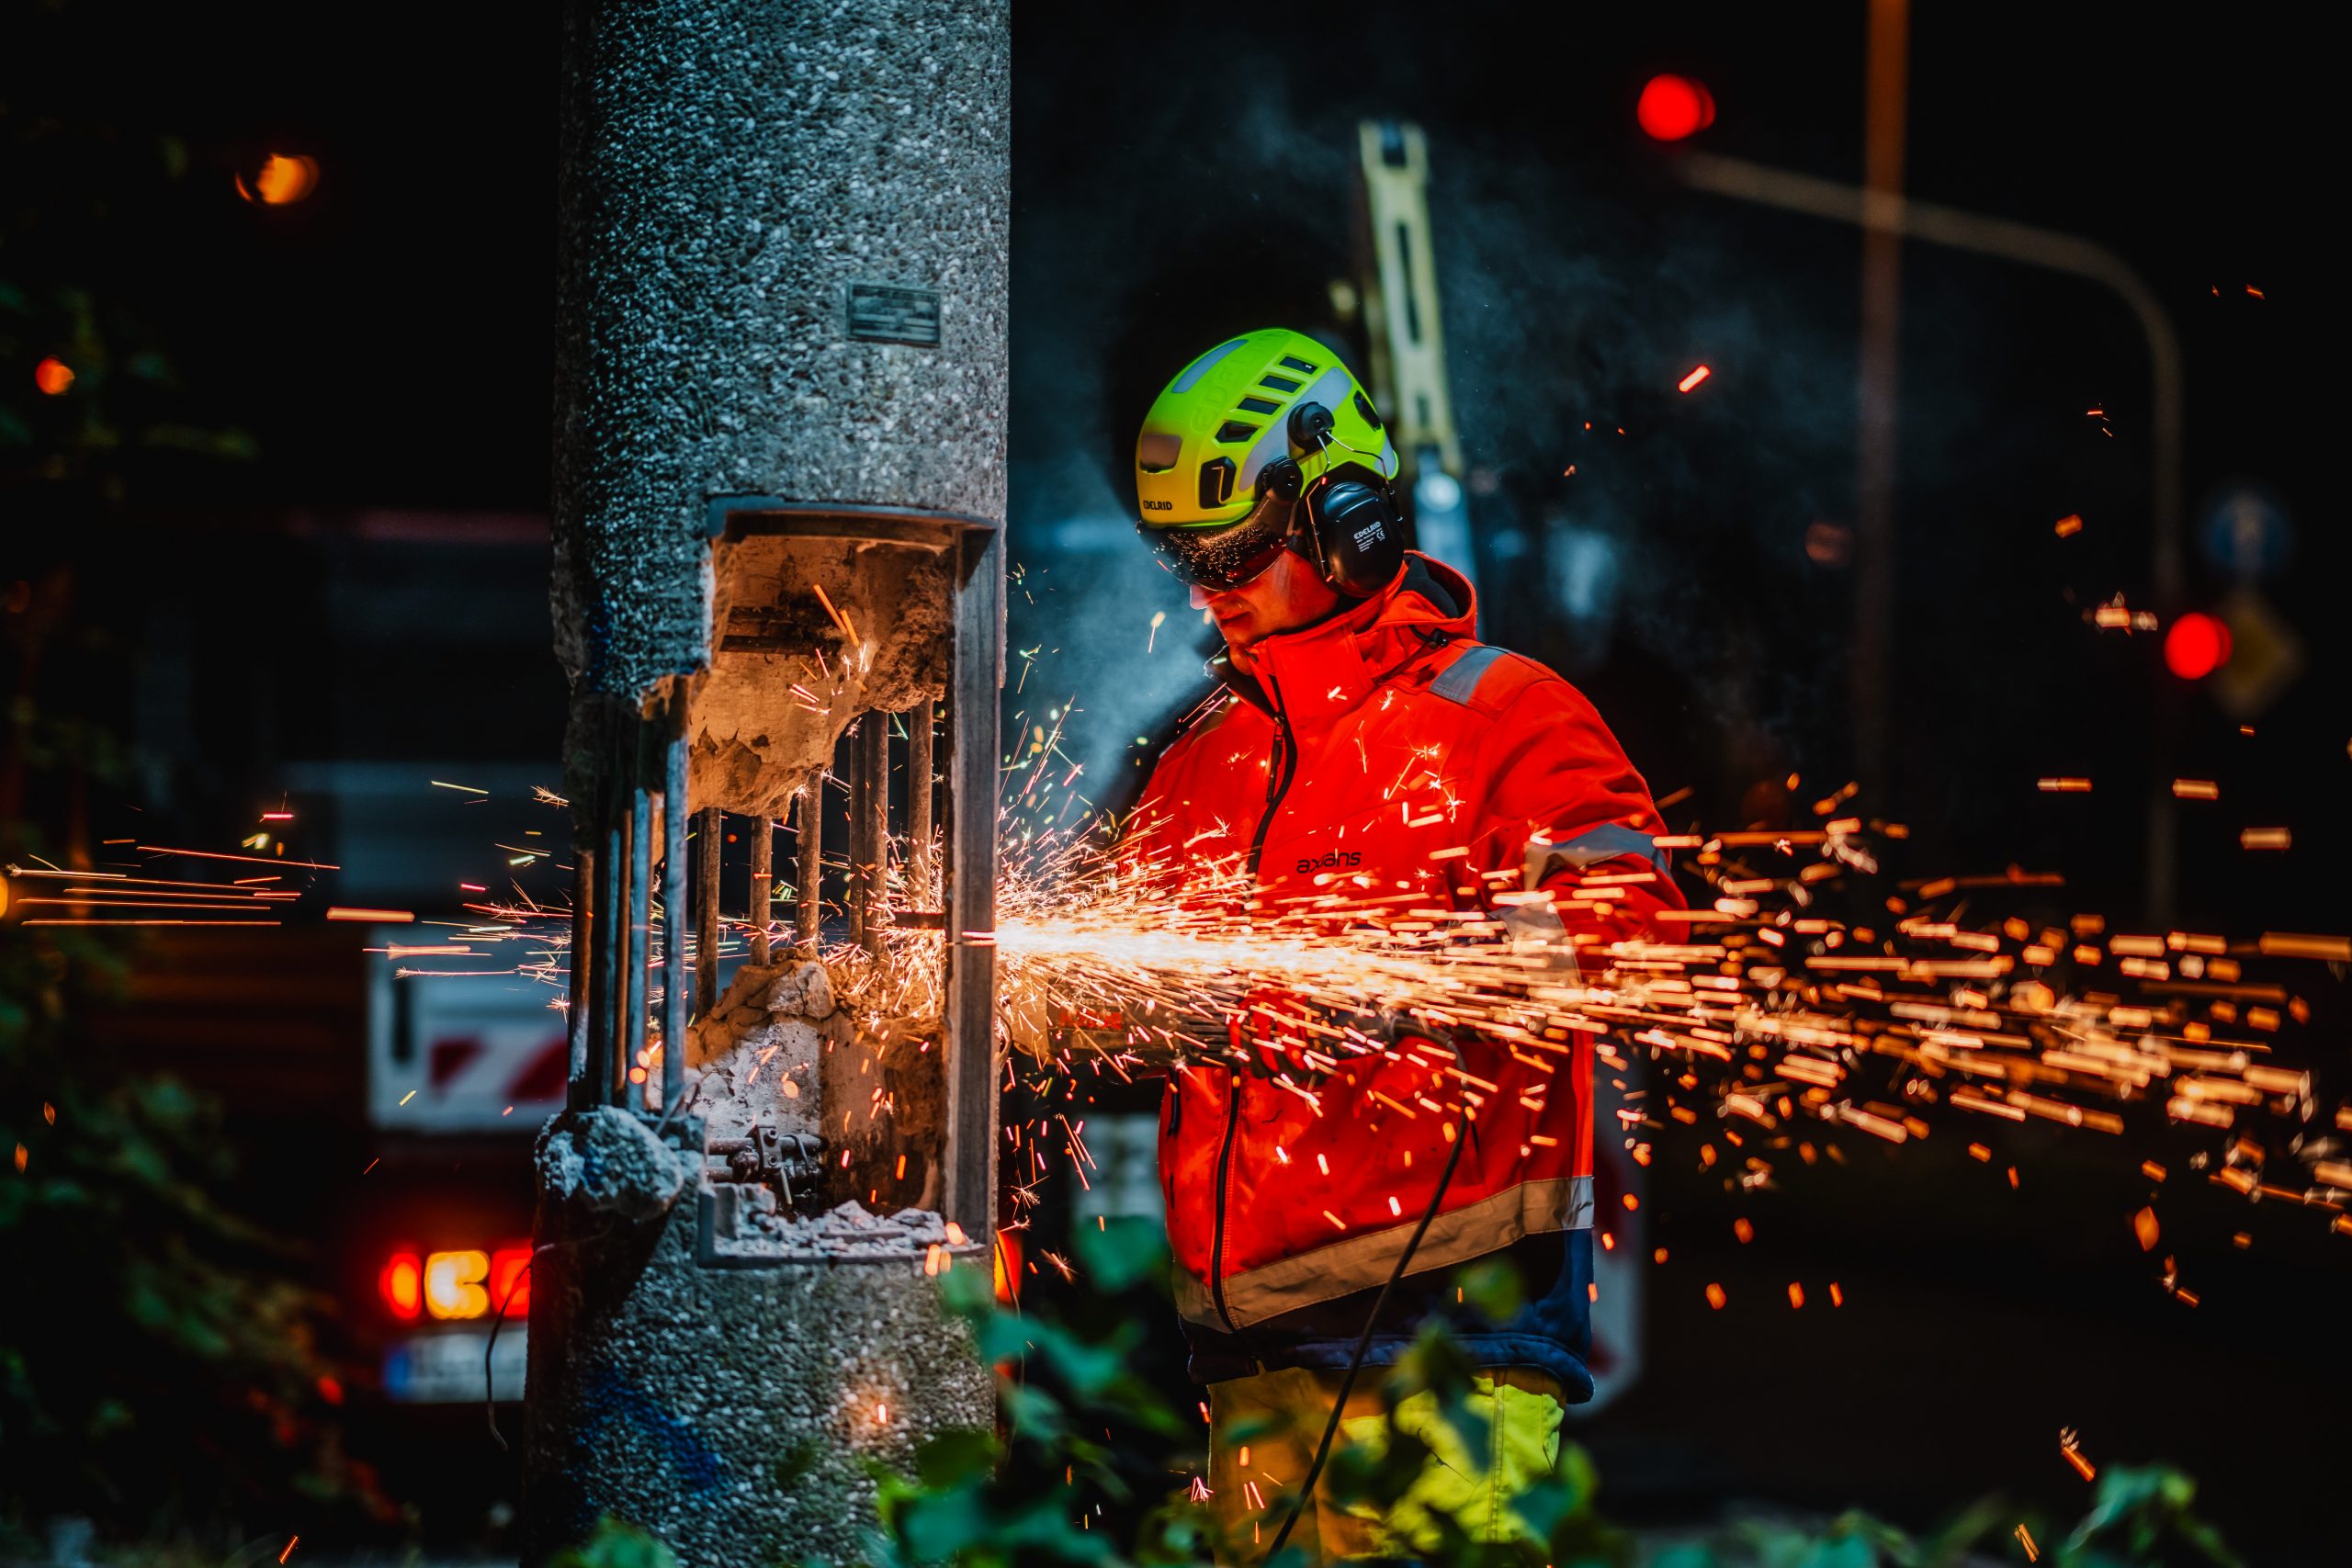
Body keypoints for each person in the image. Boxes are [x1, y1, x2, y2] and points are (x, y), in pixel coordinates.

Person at [1120, 328, 1684, 1562]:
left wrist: (1433, 972)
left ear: (1349, 514)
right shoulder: (1203, 763)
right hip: (1246, 1365)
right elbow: (1124, 982)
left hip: (1450, 1358)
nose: (1213, 587)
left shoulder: (1502, 717)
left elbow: (1635, 927)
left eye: (1238, 551)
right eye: (1188, 558)